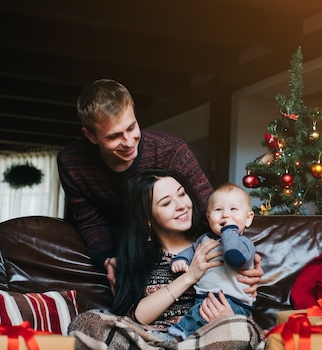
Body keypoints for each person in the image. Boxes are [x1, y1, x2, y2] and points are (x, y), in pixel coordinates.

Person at [57, 79, 214, 287]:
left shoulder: (171, 150)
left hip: (183, 254)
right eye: (114, 136)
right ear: (90, 136)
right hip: (127, 254)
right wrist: (108, 259)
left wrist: (237, 251)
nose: (129, 142)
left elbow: (210, 207)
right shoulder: (72, 163)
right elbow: (90, 221)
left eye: (131, 127)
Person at [111, 169, 254, 335]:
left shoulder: (217, 243)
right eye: (166, 203)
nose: (181, 206)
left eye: (182, 194)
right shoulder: (139, 258)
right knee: (90, 320)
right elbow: (133, 320)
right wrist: (189, 277)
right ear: (147, 218)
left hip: (215, 339)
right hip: (158, 340)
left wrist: (231, 321)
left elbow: (244, 302)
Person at [167, 183, 256, 340]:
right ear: (209, 218)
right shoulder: (204, 239)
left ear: (248, 219)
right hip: (205, 297)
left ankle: (178, 335)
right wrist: (182, 259)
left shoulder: (244, 243)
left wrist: (229, 231)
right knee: (198, 316)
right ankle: (187, 341)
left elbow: (233, 257)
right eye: (218, 210)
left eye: (233, 209)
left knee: (198, 317)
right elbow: (192, 250)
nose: (225, 215)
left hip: (234, 302)